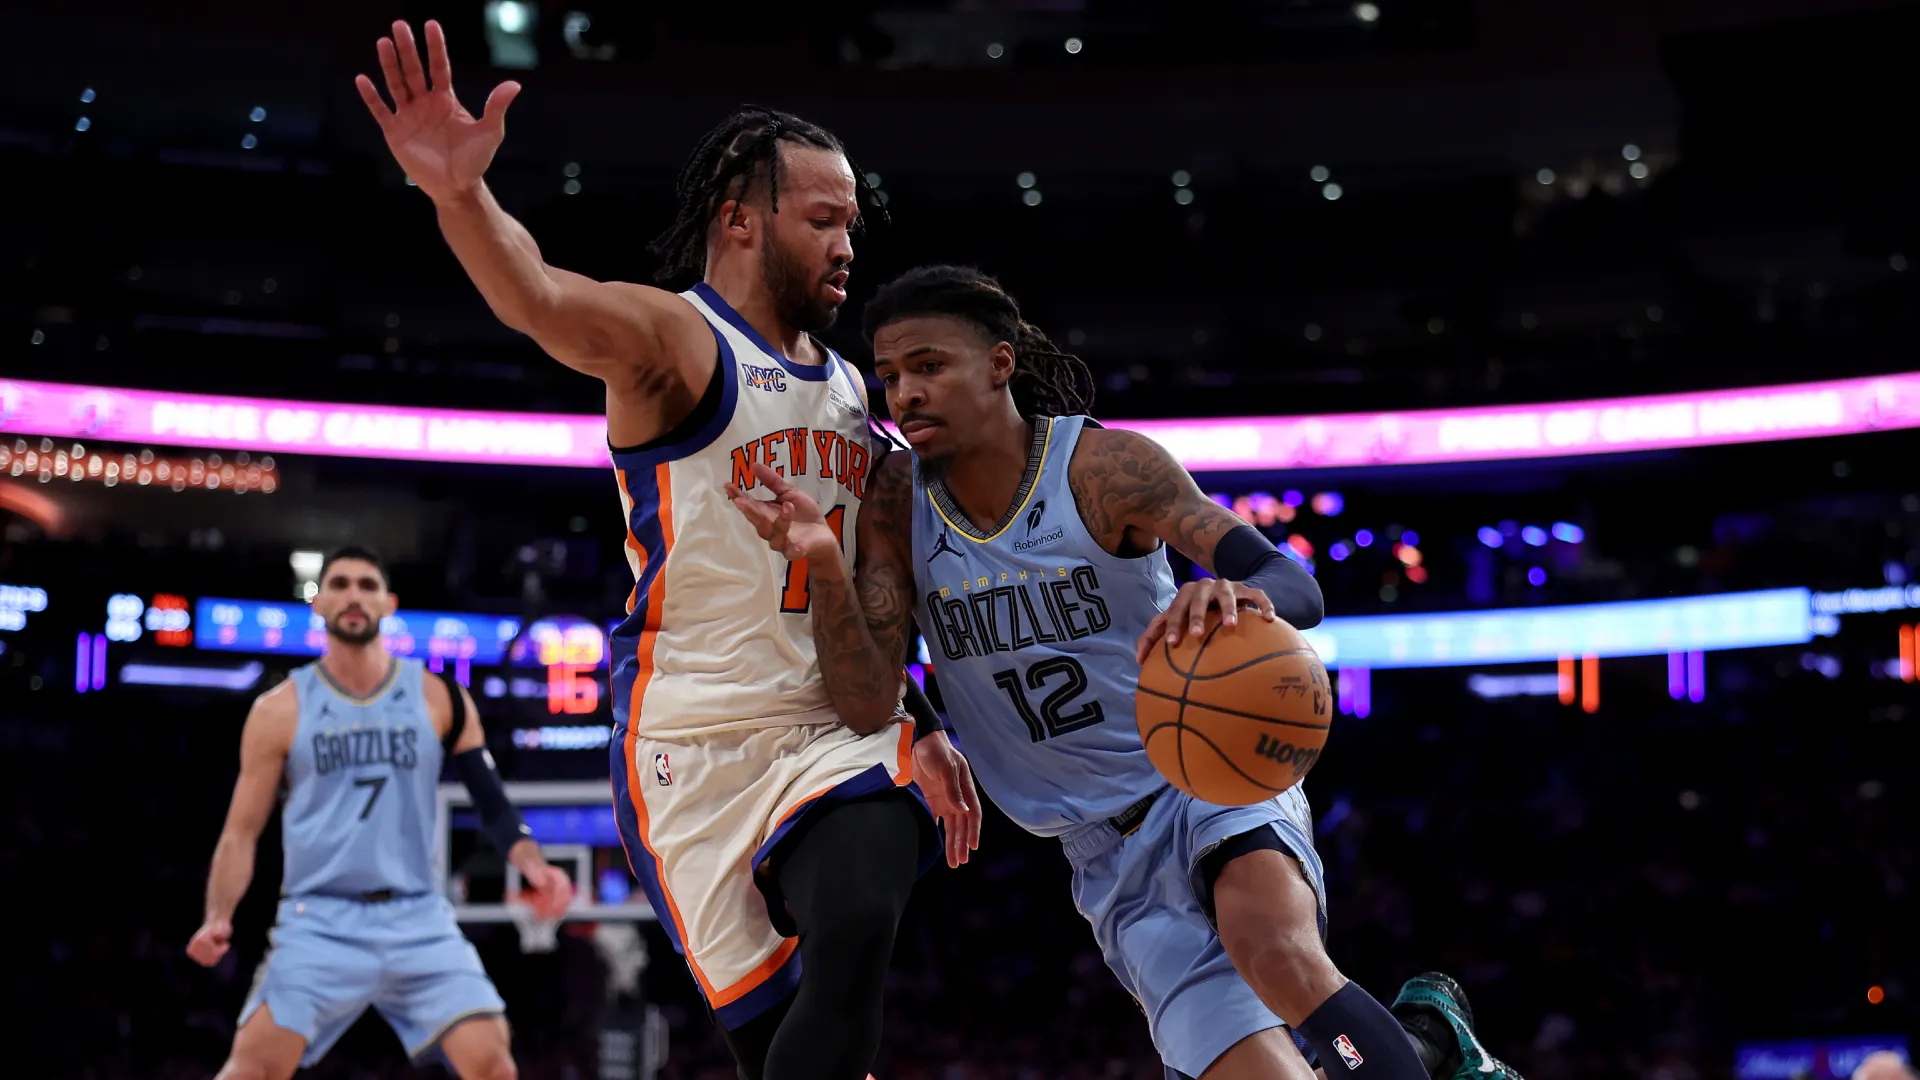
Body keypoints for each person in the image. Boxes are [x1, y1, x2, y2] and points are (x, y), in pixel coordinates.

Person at [355, 21, 982, 1080]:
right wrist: (460, 198)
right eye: (823, 219)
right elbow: (542, 298)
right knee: (779, 1044)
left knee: (867, 899)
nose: (847, 245)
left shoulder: (847, 388)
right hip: (689, 743)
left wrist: (914, 719)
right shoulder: (673, 342)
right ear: (741, 221)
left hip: (827, 726)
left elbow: (869, 593)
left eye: (852, 225)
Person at [730, 265, 1524, 1080]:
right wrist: (826, 563)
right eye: (891, 375)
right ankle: (1429, 1042)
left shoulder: (1104, 470)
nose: (905, 394)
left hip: (1209, 771)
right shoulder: (896, 502)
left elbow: (1299, 587)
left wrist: (1239, 591)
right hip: (1100, 854)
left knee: (1277, 952)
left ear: (999, 364)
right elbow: (867, 700)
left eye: (930, 366)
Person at [187, 546, 574, 1080]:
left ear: (389, 603)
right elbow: (240, 833)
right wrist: (217, 916)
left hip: (417, 915)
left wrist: (536, 866)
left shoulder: (441, 698)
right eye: (340, 584)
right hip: (319, 919)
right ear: (318, 603)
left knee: (491, 1058)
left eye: (367, 585)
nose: (353, 595)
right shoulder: (278, 710)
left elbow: (492, 804)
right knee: (251, 1067)